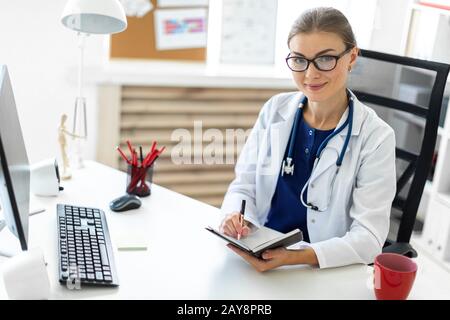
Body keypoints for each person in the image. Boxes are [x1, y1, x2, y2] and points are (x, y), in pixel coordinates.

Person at [220, 7, 396, 271]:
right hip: (261, 253)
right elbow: (243, 186)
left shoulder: (376, 137)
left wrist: (298, 257)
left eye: (325, 59)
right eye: (299, 60)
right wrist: (235, 217)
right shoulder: (275, 110)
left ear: (352, 57)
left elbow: (369, 238)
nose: (310, 74)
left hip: (324, 266)